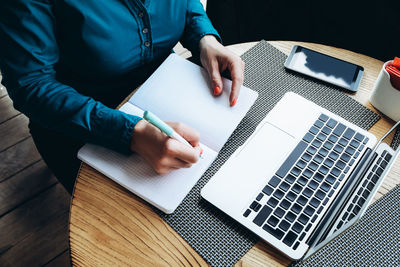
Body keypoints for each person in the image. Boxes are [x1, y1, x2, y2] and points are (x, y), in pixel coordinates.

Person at [0, 0, 245, 194]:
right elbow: (31, 85)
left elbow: (185, 4)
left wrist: (205, 39)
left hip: (167, 89)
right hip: (76, 124)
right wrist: (130, 133)